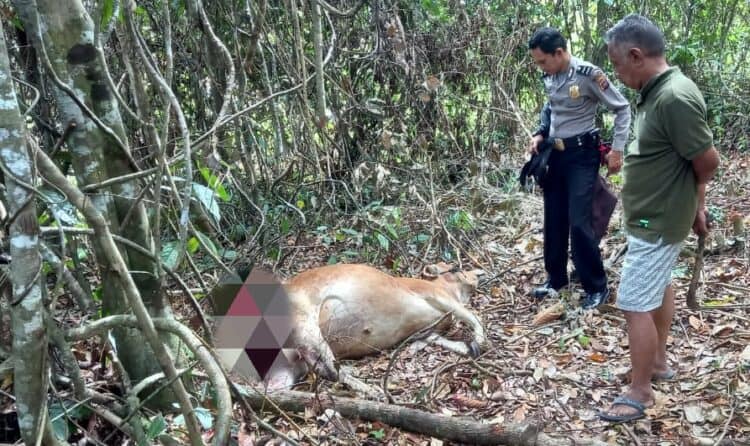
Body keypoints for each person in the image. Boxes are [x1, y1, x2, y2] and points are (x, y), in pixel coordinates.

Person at [598, 14, 720, 422]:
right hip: (653, 216)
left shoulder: (674, 98)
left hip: (658, 220)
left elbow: (707, 160)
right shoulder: (657, 92)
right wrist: (696, 206)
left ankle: (639, 391)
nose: (616, 72)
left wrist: (696, 204)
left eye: (617, 64)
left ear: (636, 55)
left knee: (633, 303)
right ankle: (657, 363)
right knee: (656, 288)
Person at [528, 28, 631, 309]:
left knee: (579, 221)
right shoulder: (550, 74)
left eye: (542, 61)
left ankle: (597, 287)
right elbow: (551, 106)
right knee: (554, 218)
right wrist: (540, 132)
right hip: (555, 155)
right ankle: (556, 279)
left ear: (559, 53)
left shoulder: (588, 75)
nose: (540, 67)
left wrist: (618, 150)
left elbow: (622, 109)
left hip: (582, 155)